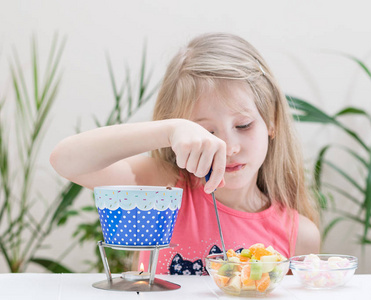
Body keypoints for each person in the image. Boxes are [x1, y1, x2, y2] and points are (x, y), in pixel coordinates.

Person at [50, 32, 320, 275]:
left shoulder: (300, 235)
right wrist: (169, 131)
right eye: (206, 132)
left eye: (243, 125)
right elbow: (65, 161)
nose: (229, 147)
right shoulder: (163, 191)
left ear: (272, 120)